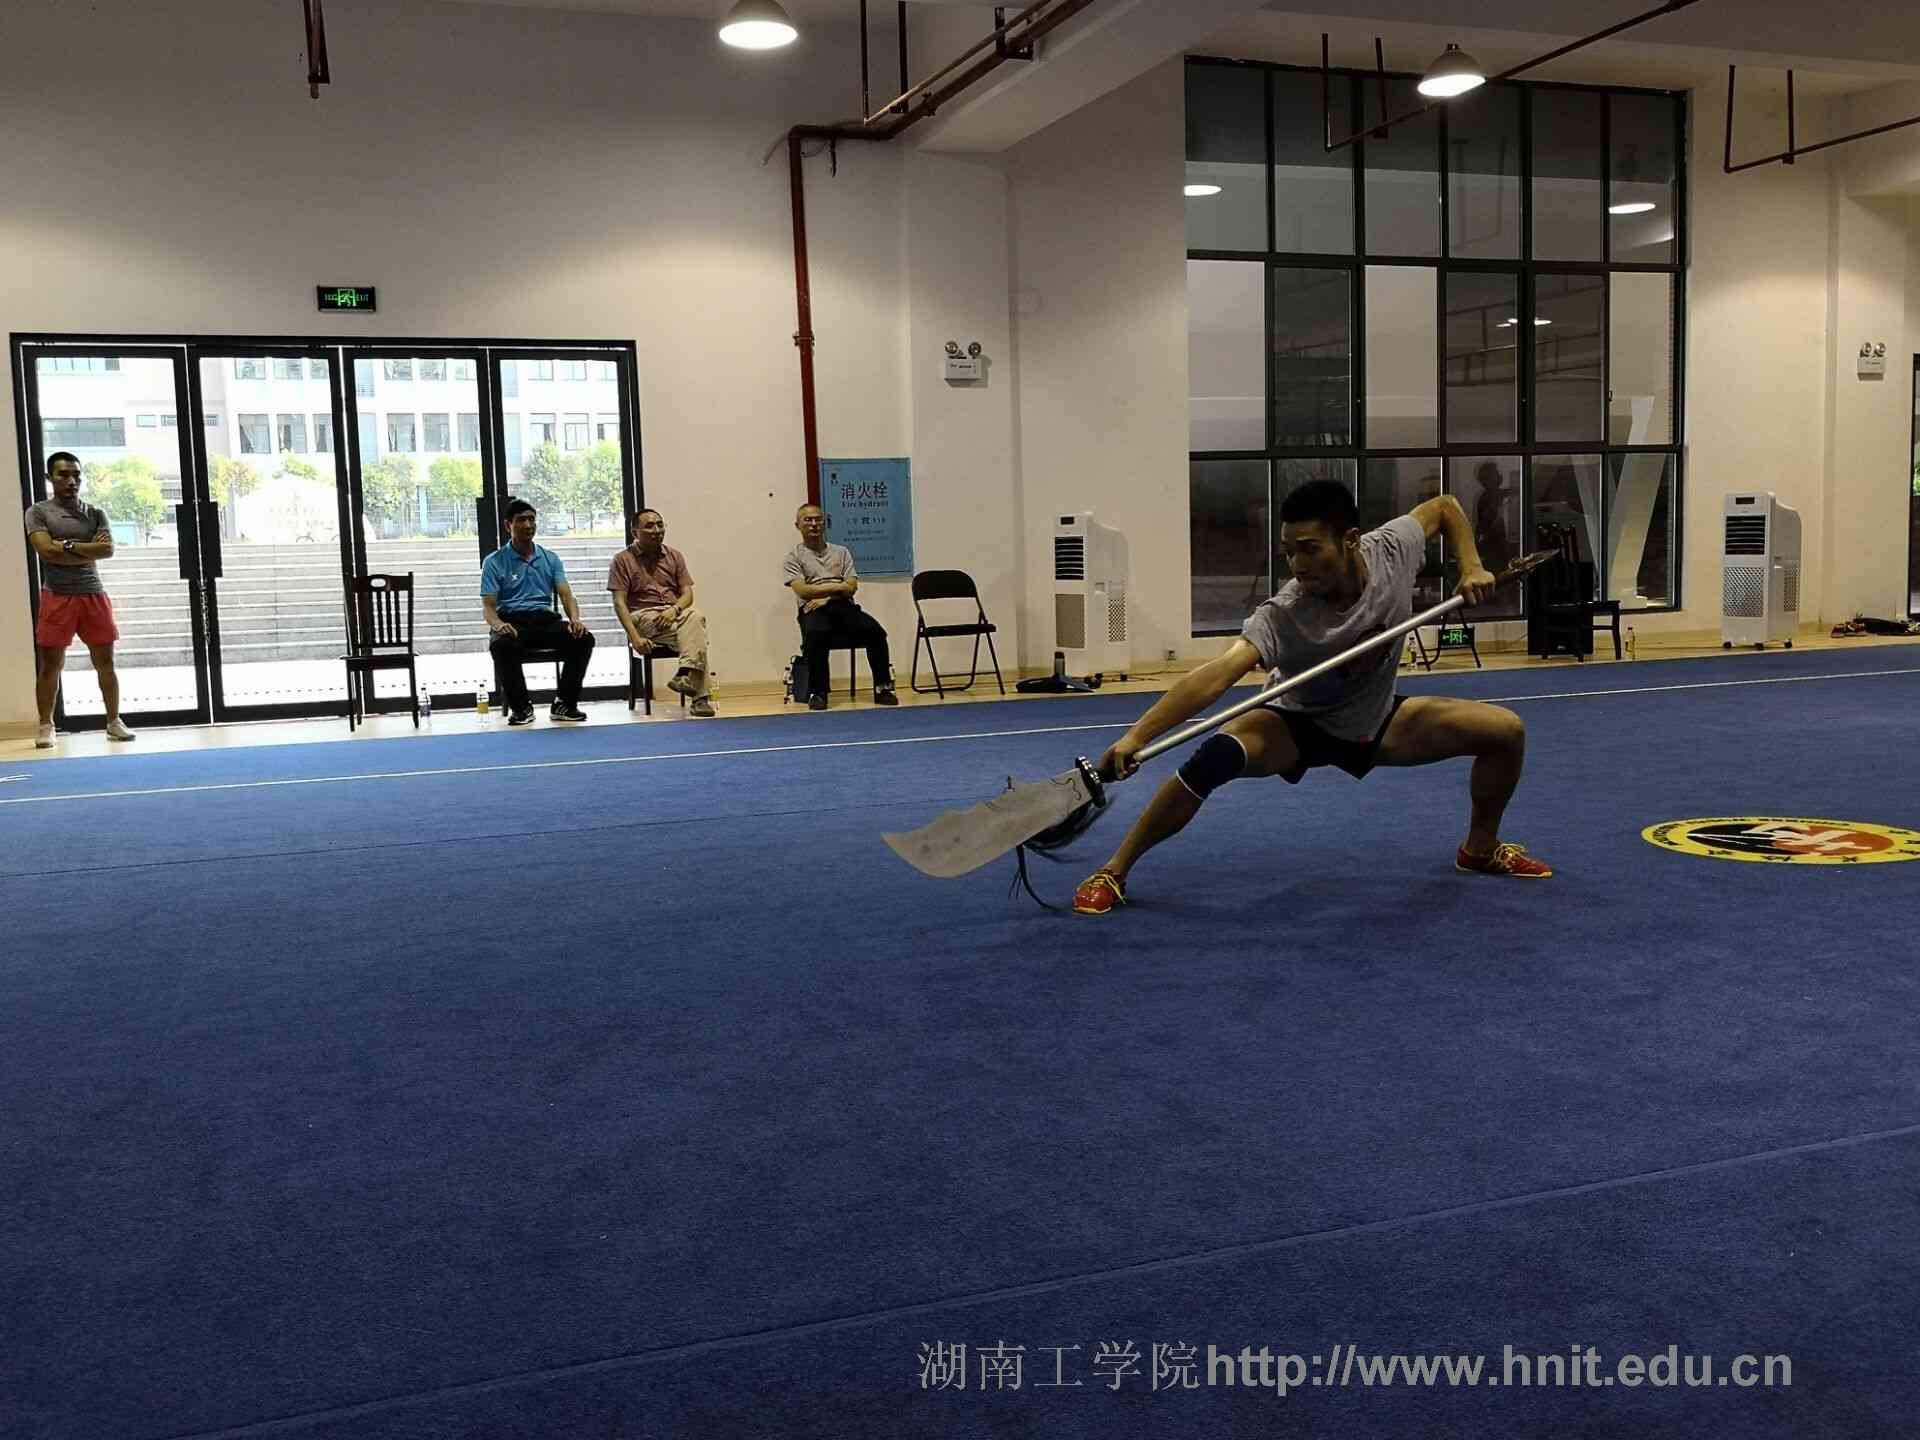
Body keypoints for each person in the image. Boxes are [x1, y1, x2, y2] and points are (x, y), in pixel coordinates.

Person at [1072, 479, 1551, 916]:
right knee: (1213, 758)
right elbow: (1215, 677)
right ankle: (1114, 870)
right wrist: (1137, 736)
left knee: (1505, 732)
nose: (1298, 566)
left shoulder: (1392, 550)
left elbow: (1444, 507)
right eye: (1288, 552)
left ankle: (1479, 849)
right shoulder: (1284, 613)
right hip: (1295, 724)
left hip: (1373, 719)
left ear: (1350, 540)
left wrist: (1472, 566)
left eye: (1309, 549)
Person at [24, 452, 135, 747]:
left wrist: (68, 546)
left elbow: (107, 550)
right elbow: (46, 551)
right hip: (57, 596)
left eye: (76, 475)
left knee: (106, 662)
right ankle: (46, 725)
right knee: (51, 664)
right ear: (50, 478)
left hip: (93, 594)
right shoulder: (38, 512)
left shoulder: (96, 513)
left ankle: (113, 721)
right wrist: (85, 548)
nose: (71, 481)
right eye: (63, 475)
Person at [481, 497, 595, 725]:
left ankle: (564, 704)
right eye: (521, 520)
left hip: (545, 621)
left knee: (584, 639)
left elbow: (566, 595)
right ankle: (521, 708)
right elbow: (489, 607)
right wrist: (498, 625)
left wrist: (575, 619)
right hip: (513, 622)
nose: (528, 525)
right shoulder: (494, 562)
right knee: (500, 645)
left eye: (531, 519)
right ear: (508, 525)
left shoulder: (550, 558)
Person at [784, 503, 897, 709]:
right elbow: (803, 591)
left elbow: (852, 587)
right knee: (816, 634)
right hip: (812, 609)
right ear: (797, 525)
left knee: (876, 632)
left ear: (825, 523)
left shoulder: (841, 552)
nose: (814, 524)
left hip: (843, 606)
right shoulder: (793, 557)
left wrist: (827, 597)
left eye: (818, 519)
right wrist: (838, 587)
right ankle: (818, 692)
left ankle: (883, 687)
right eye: (808, 520)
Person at [608, 509, 715, 717]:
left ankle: (684, 674)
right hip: (643, 616)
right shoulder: (622, 560)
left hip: (674, 614)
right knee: (696, 633)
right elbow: (619, 603)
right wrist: (635, 638)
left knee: (695, 620)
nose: (657, 530)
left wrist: (673, 610)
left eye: (660, 524)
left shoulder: (674, 556)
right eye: (649, 526)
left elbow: (687, 594)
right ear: (635, 532)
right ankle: (699, 697)